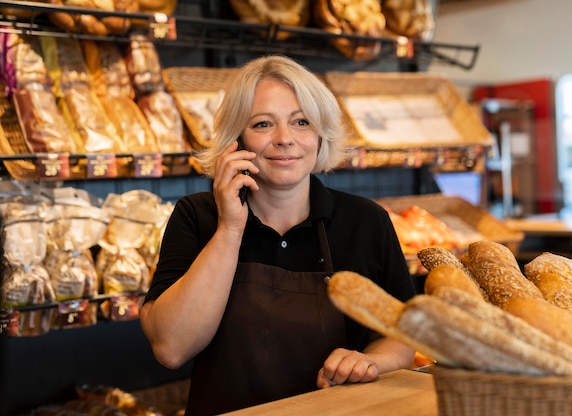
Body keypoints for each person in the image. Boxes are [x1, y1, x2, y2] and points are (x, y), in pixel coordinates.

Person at [140, 55, 417, 415]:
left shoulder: (366, 221)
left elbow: (401, 337)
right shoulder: (198, 217)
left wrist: (369, 362)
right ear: (235, 139)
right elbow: (171, 348)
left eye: (301, 122)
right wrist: (230, 228)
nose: (285, 139)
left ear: (320, 134)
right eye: (263, 124)